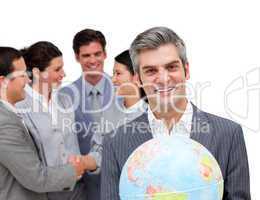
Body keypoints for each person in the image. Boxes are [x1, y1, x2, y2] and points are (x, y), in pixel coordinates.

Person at [101, 27, 251, 200]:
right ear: (137, 79)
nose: (164, 79)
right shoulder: (115, 142)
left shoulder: (229, 134)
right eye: (151, 71)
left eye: (171, 67)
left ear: (186, 71)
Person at [15, 41, 97, 200]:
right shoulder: (19, 107)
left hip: (77, 190)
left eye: (63, 67)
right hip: (44, 194)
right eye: (57, 69)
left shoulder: (65, 101)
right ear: (37, 73)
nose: (63, 74)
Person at [0, 47, 85, 200]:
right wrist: (74, 170)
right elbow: (35, 177)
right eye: (22, 75)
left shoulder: (64, 100)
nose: (27, 80)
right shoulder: (4, 124)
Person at [61, 28, 113, 200]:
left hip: (120, 181)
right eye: (86, 56)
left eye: (97, 54)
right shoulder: (64, 96)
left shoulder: (123, 90)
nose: (92, 60)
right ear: (77, 57)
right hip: (85, 188)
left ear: (105, 54)